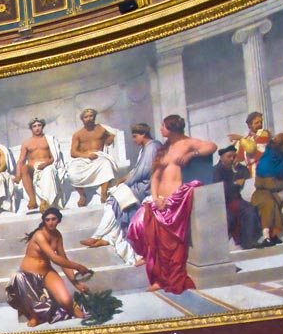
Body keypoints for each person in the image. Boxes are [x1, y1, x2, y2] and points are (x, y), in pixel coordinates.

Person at [126, 114, 217, 293]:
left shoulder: (187, 144)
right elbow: (155, 176)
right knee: (138, 228)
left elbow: (212, 146)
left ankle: (165, 280)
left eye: (163, 126)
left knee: (169, 245)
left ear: (172, 127)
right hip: (159, 200)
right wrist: (155, 197)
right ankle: (156, 274)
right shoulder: (163, 149)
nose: (160, 129)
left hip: (175, 201)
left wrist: (193, 154)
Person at [82, 123, 161, 266]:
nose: (134, 140)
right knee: (115, 202)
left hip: (146, 187)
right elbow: (137, 170)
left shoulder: (153, 147)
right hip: (139, 183)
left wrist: (126, 182)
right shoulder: (145, 148)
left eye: (135, 137)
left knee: (114, 200)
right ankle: (106, 237)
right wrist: (124, 179)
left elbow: (144, 172)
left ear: (143, 135)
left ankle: (98, 235)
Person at [6, 207, 89, 326]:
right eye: (47, 220)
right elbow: (54, 258)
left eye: (54, 219)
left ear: (59, 220)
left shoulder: (58, 235)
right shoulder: (39, 235)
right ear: (44, 221)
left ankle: (71, 307)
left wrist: (77, 284)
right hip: (28, 275)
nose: (50, 222)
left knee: (66, 301)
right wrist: (78, 266)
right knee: (20, 280)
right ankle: (33, 316)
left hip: (47, 272)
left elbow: (63, 260)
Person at [250, 132, 283, 247]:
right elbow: (269, 184)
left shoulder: (282, 154)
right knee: (269, 204)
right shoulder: (268, 160)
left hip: (277, 190)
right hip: (263, 192)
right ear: (281, 145)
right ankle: (266, 236)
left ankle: (275, 230)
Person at [213, 144, 263, 248]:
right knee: (247, 209)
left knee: (250, 208)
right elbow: (221, 188)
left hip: (235, 199)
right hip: (224, 201)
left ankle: (249, 239)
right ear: (222, 158)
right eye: (229, 156)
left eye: (234, 156)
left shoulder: (234, 168)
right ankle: (247, 241)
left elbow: (245, 173)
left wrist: (236, 168)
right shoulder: (217, 170)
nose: (232, 159)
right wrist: (235, 184)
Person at [68, 109, 118, 207]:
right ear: (82, 119)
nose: (89, 119)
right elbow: (73, 152)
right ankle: (82, 195)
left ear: (94, 117)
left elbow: (110, 137)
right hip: (82, 158)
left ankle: (104, 193)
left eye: (91, 116)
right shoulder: (77, 134)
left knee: (106, 164)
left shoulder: (102, 129)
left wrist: (109, 139)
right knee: (72, 172)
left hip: (98, 157)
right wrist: (86, 156)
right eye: (86, 117)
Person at [15, 117, 65, 213]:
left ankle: (45, 200)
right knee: (24, 168)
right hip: (32, 167)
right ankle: (32, 199)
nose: (37, 128)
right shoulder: (26, 143)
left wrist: (45, 164)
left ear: (42, 127)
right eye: (34, 126)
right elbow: (21, 161)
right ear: (31, 128)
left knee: (49, 171)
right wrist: (17, 176)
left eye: (39, 125)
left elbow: (54, 157)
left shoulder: (49, 139)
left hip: (46, 165)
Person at [227, 111, 271, 176]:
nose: (260, 124)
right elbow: (235, 158)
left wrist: (240, 138)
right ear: (249, 125)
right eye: (256, 123)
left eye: (261, 122)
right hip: (251, 173)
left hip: (265, 169)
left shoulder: (265, 133)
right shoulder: (243, 140)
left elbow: (252, 147)